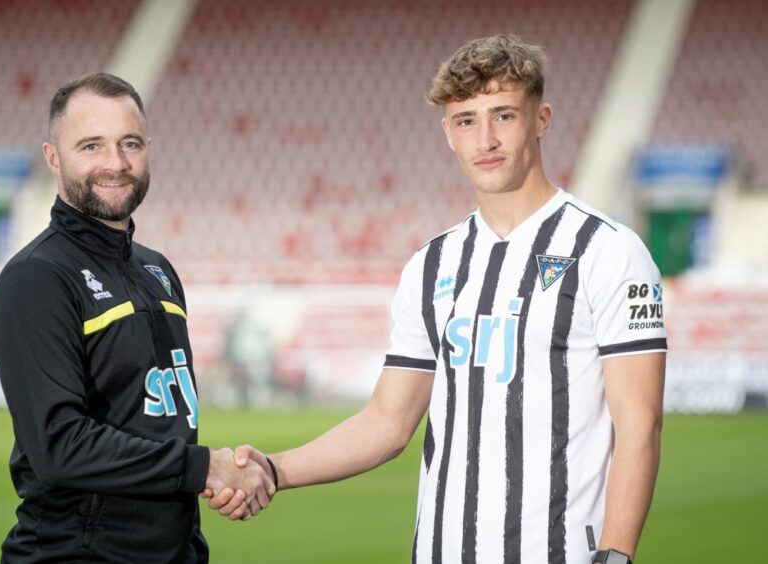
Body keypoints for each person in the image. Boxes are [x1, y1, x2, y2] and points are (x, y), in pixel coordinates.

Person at [215, 35, 666, 564]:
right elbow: (387, 421)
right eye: (466, 120)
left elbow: (640, 424)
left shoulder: (608, 251)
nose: (486, 139)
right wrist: (273, 469)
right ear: (448, 134)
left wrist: (616, 555)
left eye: (504, 115)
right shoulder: (431, 265)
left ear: (541, 119)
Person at [0, 72, 274, 563]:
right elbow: (60, 447)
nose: (116, 164)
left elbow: (168, 429)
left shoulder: (157, 269)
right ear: (53, 158)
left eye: (130, 143)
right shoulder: (36, 278)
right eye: (91, 146)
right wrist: (204, 469)